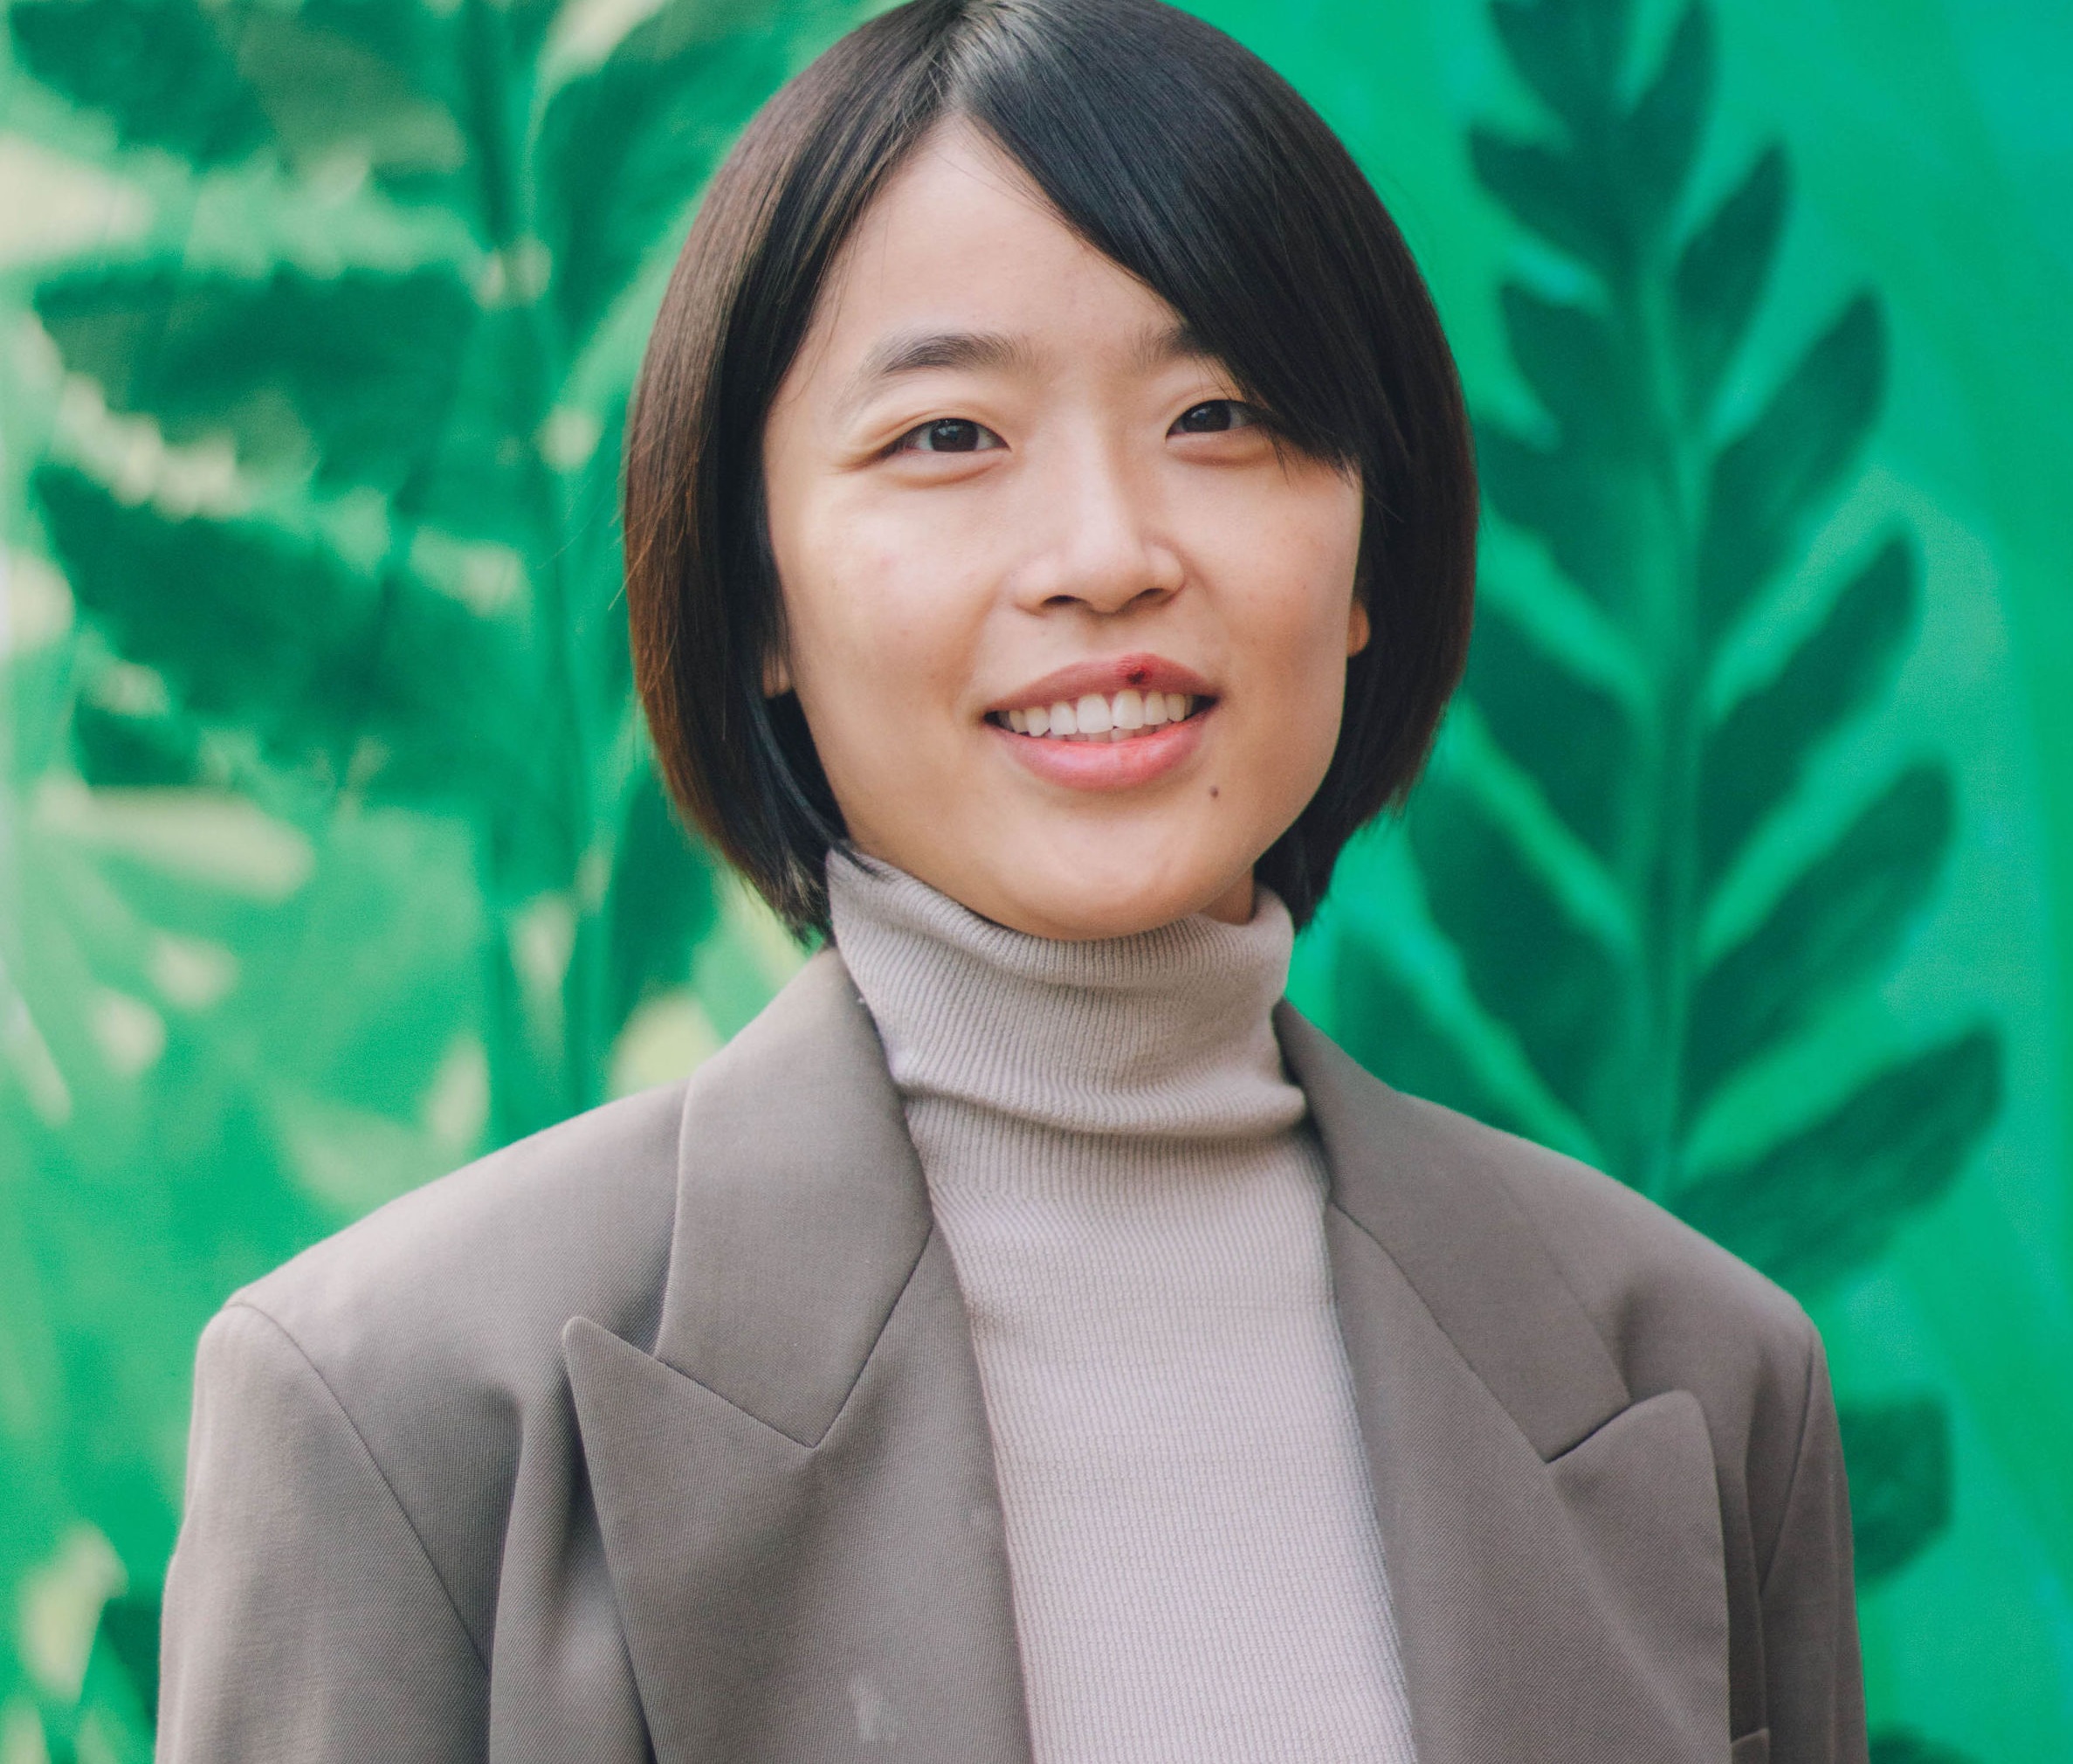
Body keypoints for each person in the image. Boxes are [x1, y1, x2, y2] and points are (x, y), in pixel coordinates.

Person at [157, 0, 1866, 1758]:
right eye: (947, 436)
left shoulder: (1696, 1378)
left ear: (1369, 550)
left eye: (1218, 413)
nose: (1105, 554)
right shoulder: (404, 1408)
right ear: (756, 597)